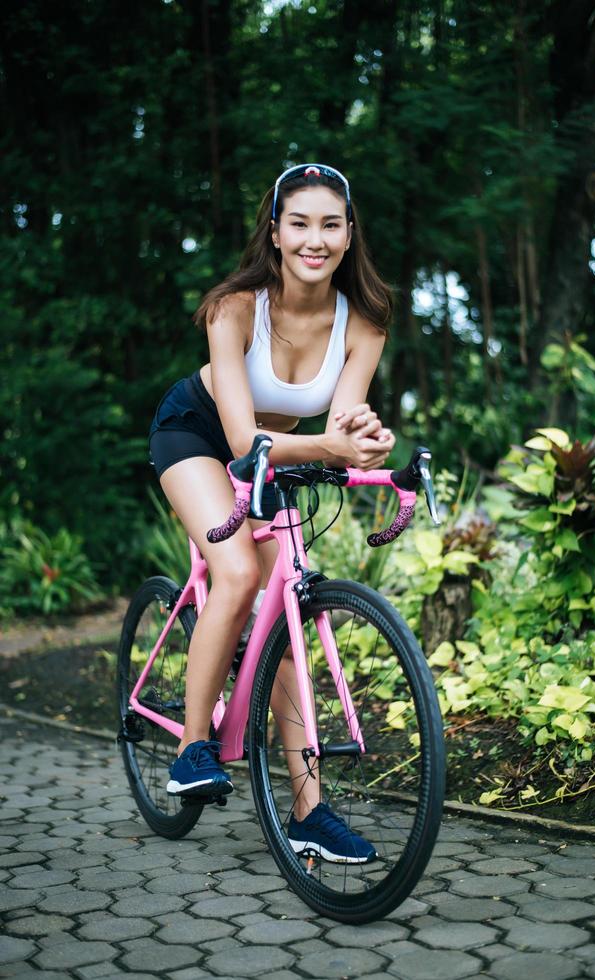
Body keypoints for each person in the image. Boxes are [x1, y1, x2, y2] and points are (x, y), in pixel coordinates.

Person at [148, 163, 395, 862]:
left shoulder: (365, 318)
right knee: (236, 573)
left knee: (284, 608)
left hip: (278, 450)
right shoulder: (235, 307)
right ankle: (193, 748)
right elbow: (235, 438)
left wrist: (371, 444)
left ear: (349, 235)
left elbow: (345, 421)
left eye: (330, 224)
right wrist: (331, 443)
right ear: (276, 233)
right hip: (196, 433)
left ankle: (309, 810)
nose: (315, 239)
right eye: (300, 223)